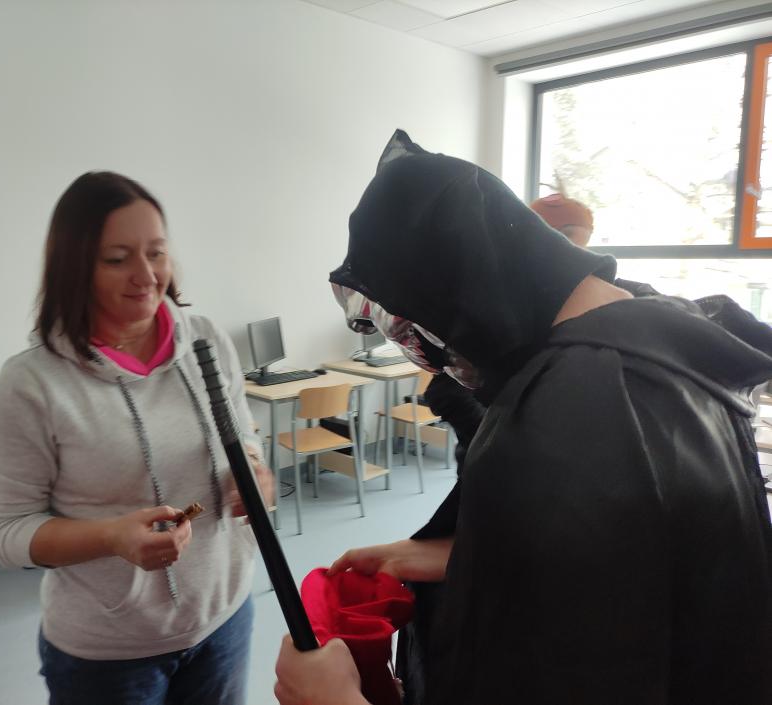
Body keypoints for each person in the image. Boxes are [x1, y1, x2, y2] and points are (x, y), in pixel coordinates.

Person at [275, 130, 772, 705]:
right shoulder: (660, 347)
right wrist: (455, 555)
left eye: (419, 330)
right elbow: (621, 572)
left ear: (459, 285)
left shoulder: (566, 419)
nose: (434, 353)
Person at [0, 171, 272, 705]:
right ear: (75, 268)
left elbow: (241, 431)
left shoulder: (205, 340)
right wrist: (112, 538)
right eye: (117, 259)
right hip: (108, 655)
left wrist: (251, 470)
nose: (146, 275)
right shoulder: (31, 385)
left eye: (156, 253)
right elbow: (4, 531)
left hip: (224, 619)